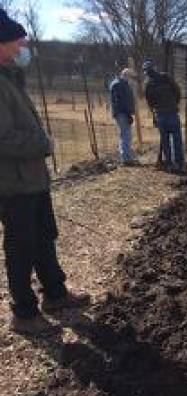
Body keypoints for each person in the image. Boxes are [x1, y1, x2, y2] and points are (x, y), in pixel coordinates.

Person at [0, 9, 89, 333]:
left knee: (44, 238)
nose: (24, 45)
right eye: (18, 40)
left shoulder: (11, 79)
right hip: (13, 184)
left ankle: (55, 293)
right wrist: (42, 143)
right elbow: (4, 139)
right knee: (21, 245)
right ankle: (24, 313)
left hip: (33, 179)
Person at [143, 60, 185, 172]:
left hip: (161, 115)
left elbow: (150, 102)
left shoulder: (148, 84)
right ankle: (180, 164)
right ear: (155, 68)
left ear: (146, 72)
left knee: (166, 141)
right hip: (171, 113)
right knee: (177, 140)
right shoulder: (166, 77)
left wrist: (155, 114)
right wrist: (174, 104)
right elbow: (177, 91)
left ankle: (170, 165)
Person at [109, 68, 137, 166]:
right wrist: (128, 114)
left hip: (122, 113)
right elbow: (120, 102)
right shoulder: (119, 85)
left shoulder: (119, 84)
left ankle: (127, 157)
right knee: (126, 135)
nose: (131, 80)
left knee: (125, 135)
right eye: (131, 77)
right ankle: (126, 159)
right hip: (122, 113)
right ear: (126, 76)